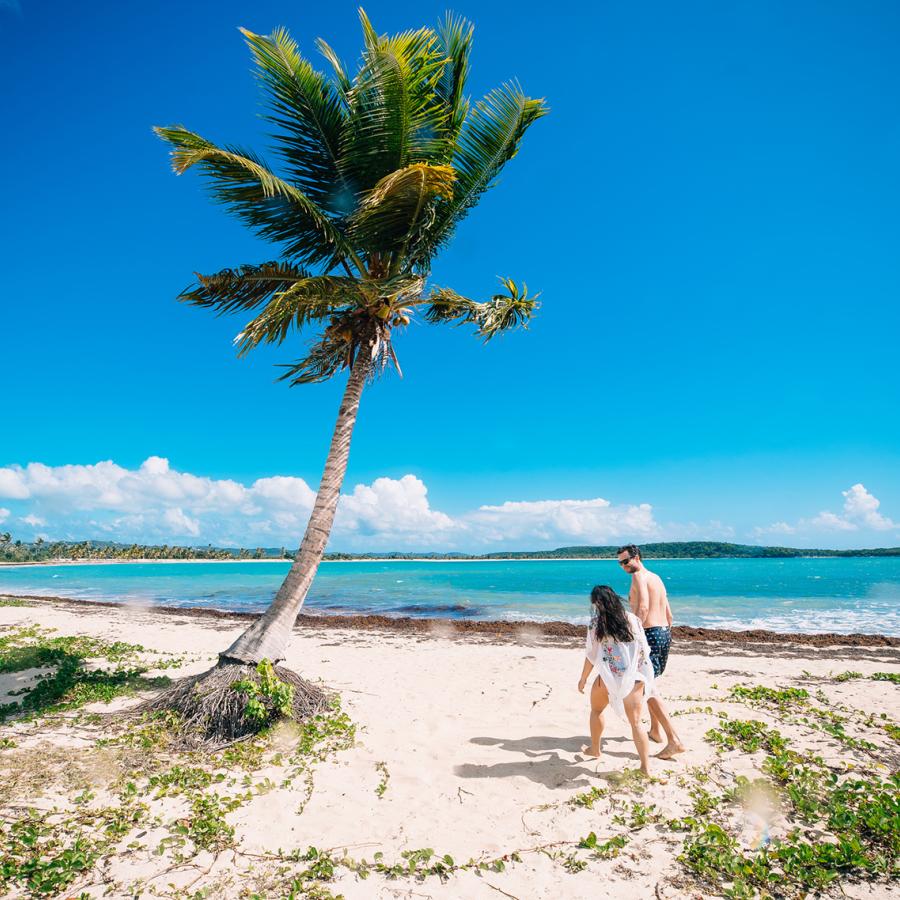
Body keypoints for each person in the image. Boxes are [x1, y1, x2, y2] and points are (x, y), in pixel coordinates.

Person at [577, 585, 669, 775]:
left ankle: (595, 749)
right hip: (634, 679)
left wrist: (583, 678)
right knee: (636, 724)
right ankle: (645, 768)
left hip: (608, 678)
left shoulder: (596, 624)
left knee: (596, 710)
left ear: (597, 603)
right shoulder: (633, 620)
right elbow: (644, 651)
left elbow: (591, 655)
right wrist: (643, 676)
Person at [617, 544, 685, 759]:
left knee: (645, 686)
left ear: (636, 557)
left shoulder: (639, 577)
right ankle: (655, 731)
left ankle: (674, 740)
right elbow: (669, 612)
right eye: (620, 563)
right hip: (664, 631)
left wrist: (633, 633)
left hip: (650, 632)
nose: (623, 566)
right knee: (650, 682)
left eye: (626, 561)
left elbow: (644, 607)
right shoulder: (656, 577)